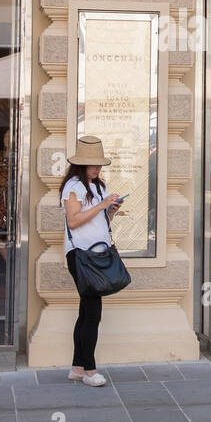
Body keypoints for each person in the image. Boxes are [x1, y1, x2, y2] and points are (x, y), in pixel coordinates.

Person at [60, 135, 124, 387]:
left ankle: (77, 367)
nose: (96, 168)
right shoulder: (73, 186)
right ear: (80, 164)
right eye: (91, 164)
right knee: (92, 312)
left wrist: (110, 210)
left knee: (86, 311)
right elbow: (73, 221)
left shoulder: (100, 186)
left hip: (98, 253)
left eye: (99, 164)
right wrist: (101, 207)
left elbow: (98, 222)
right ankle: (89, 369)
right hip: (80, 255)